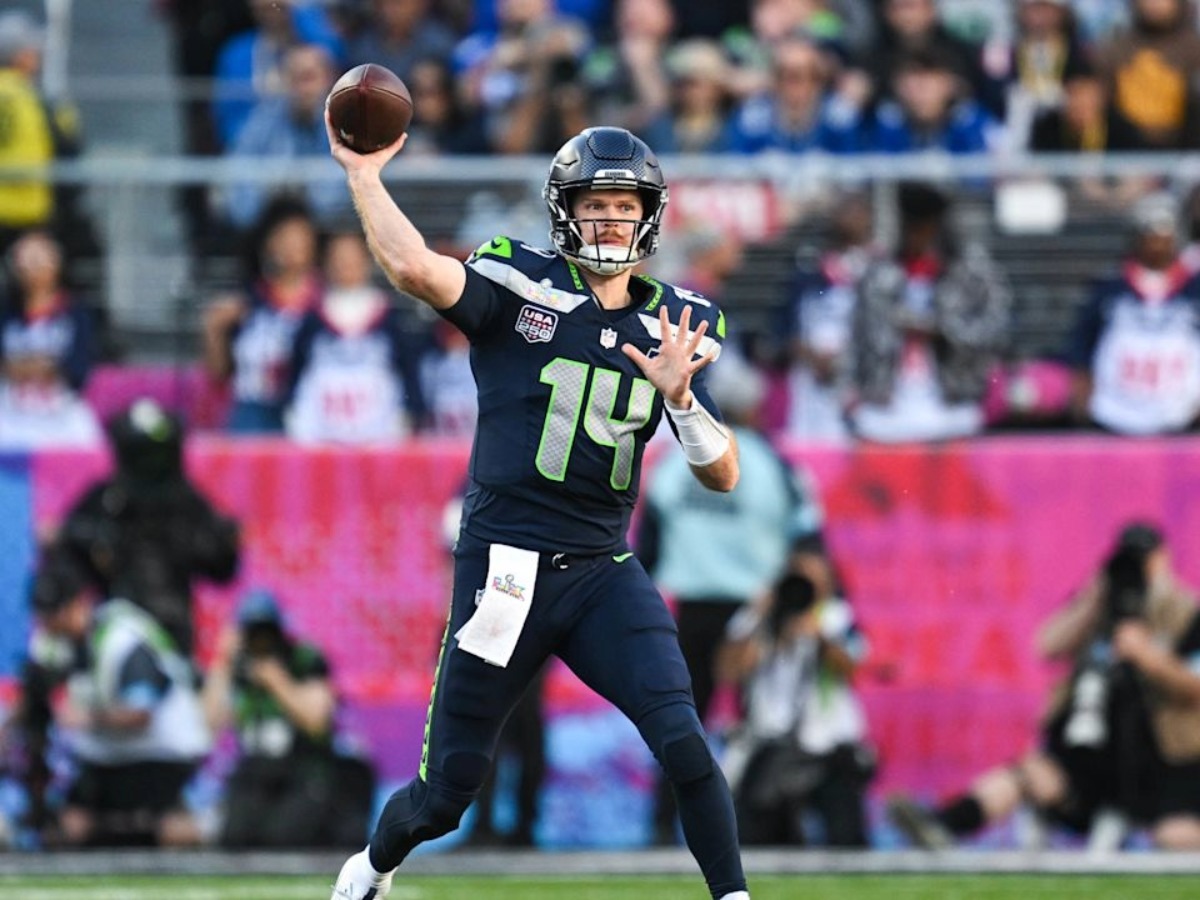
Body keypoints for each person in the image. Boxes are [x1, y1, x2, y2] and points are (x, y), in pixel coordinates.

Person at [325, 121, 749, 900]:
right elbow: (417, 270)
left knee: (683, 737)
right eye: (597, 203)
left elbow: (723, 473)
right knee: (446, 793)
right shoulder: (521, 286)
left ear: (650, 214)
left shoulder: (679, 324)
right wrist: (363, 176)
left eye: (626, 204)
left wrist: (681, 399)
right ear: (565, 211)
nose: (612, 219)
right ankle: (370, 870)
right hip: (506, 571)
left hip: (601, 571)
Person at [889, 521, 1200, 851]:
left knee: (1175, 836)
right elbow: (1046, 646)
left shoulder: (1186, 613)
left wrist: (1147, 656)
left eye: (1144, 560)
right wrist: (1095, 598)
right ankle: (942, 827)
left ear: (1163, 559)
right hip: (1090, 758)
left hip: (1160, 760)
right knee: (1023, 776)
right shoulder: (1098, 604)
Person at [638, 351, 823, 844]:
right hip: (754, 609)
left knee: (678, 720)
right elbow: (807, 541)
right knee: (757, 722)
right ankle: (752, 824)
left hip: (690, 608)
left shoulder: (673, 464)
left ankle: (661, 825)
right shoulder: (776, 466)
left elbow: (648, 548)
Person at [27, 541, 211, 847]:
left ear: (78, 604)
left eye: (55, 614)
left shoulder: (123, 638)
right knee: (65, 830)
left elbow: (141, 714)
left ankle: (146, 833)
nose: (50, 625)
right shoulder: (52, 644)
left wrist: (88, 718)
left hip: (159, 754)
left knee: (171, 832)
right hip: (105, 758)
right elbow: (32, 698)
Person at [57, 398, 241, 657]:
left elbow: (222, 569)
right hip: (116, 622)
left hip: (173, 623)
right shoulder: (107, 499)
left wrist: (221, 540)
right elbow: (68, 548)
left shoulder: (187, 501)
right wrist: (97, 545)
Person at [716, 558, 874, 847]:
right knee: (756, 841)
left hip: (828, 745)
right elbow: (727, 671)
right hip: (770, 745)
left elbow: (852, 667)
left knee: (847, 840)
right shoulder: (760, 617)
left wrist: (822, 636)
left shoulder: (836, 616)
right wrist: (760, 617)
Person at [201, 589, 376, 848]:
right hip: (255, 776)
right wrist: (222, 663)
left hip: (302, 772)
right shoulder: (239, 668)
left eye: (266, 633)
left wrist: (276, 681)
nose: (261, 642)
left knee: (284, 838)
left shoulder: (304, 660)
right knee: (233, 838)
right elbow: (209, 725)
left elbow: (316, 721)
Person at [848, 181, 1010, 443]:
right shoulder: (878, 273)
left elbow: (996, 331)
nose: (916, 236)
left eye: (923, 227)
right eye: (910, 226)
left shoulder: (970, 273)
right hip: (887, 406)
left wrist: (943, 330)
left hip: (953, 402)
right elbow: (857, 337)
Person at [1064, 191, 1200, 436]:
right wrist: (1083, 393)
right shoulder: (1110, 288)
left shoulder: (1194, 290)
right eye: (1150, 234)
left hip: (1181, 415)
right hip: (1114, 413)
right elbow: (1083, 344)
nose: (1158, 242)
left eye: (1164, 233)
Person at [284, 228, 424, 444]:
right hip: (323, 435)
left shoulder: (388, 316)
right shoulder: (312, 318)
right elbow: (296, 371)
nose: (345, 265)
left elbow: (407, 371)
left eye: (352, 257)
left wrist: (405, 416)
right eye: (338, 258)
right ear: (326, 263)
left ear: (368, 260)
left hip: (379, 434)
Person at [202, 197, 324, 433]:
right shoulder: (247, 304)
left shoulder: (327, 305)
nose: (291, 246)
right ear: (267, 243)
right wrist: (214, 331)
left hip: (311, 413)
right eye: (283, 237)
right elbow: (219, 374)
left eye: (298, 237)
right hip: (254, 413)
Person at [0, 229, 102, 449]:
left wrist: (33, 366)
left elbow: (78, 368)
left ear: (55, 263)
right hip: (9, 411)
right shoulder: (6, 313)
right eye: (24, 259)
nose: (31, 267)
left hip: (60, 412)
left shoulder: (75, 313)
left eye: (38, 258)